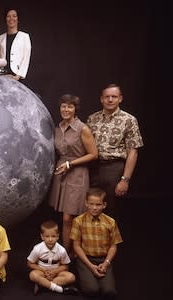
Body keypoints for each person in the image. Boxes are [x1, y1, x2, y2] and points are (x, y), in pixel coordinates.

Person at [48, 94, 98, 255]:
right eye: (63, 106)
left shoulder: (83, 129)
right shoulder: (58, 127)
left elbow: (93, 154)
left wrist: (70, 164)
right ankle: (67, 252)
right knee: (64, 216)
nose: (66, 109)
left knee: (68, 218)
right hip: (61, 173)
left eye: (70, 106)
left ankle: (68, 254)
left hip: (77, 173)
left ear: (75, 109)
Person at [86, 83, 144, 222]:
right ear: (101, 99)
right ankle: (92, 241)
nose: (110, 100)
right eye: (107, 97)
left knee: (111, 209)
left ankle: (110, 243)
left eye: (114, 96)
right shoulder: (92, 119)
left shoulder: (129, 120)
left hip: (114, 169)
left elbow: (133, 152)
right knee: (91, 207)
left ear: (120, 99)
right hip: (92, 168)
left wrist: (125, 180)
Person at [70, 187, 123, 298]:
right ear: (86, 204)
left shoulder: (110, 222)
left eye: (98, 205)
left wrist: (106, 263)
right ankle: (84, 277)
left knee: (109, 291)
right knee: (92, 290)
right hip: (85, 259)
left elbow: (113, 246)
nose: (94, 208)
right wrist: (90, 266)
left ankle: (101, 275)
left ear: (104, 205)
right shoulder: (78, 221)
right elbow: (76, 246)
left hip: (103, 259)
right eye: (91, 204)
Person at [27, 220, 79, 295]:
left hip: (56, 274)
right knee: (33, 275)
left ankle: (43, 285)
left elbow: (65, 265)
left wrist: (55, 272)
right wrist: (43, 270)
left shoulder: (61, 250)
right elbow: (30, 263)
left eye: (53, 236)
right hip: (42, 273)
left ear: (58, 236)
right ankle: (59, 289)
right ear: (42, 237)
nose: (50, 239)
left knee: (71, 277)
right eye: (47, 236)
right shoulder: (37, 248)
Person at [0, 8, 32, 81]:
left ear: (18, 19)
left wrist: (18, 76)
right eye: (8, 16)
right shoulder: (0, 38)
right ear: (5, 19)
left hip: (17, 76)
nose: (11, 18)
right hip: (3, 76)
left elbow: (26, 57)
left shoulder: (24, 37)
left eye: (14, 16)